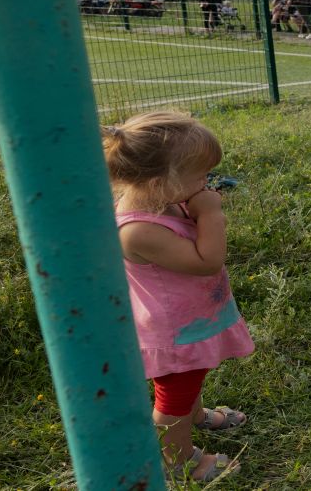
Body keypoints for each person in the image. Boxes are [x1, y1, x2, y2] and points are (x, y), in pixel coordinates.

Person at [101, 111, 254, 483]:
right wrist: (211, 213)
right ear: (160, 181)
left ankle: (196, 417)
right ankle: (179, 460)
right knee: (173, 399)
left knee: (190, 381)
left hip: (191, 321)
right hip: (174, 332)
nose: (207, 182)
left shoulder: (162, 201)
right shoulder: (138, 230)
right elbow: (207, 260)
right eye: (200, 175)